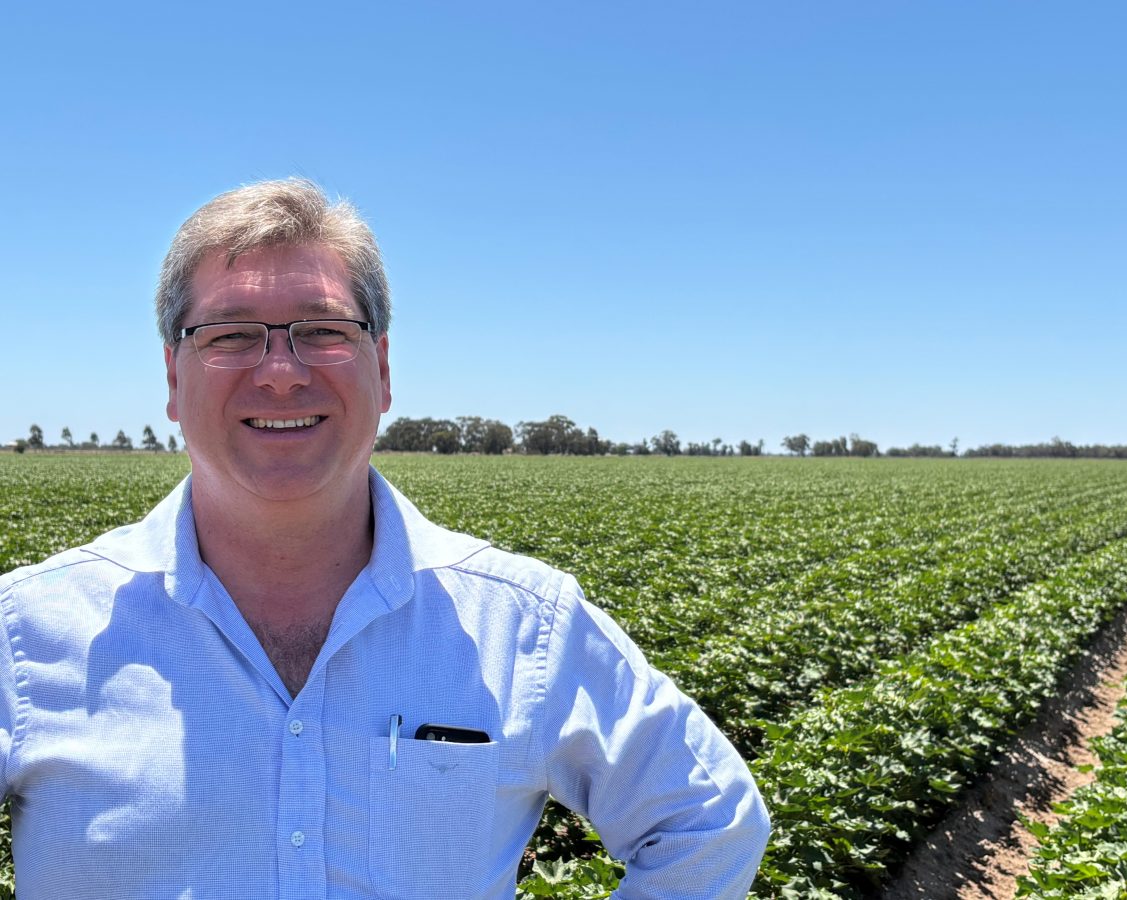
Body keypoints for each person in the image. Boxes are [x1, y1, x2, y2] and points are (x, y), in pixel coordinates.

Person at [0, 179, 770, 898]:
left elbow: (709, 824)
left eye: (323, 331)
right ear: (172, 376)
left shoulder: (525, 625)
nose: (278, 373)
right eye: (230, 335)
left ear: (384, 369)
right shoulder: (26, 635)